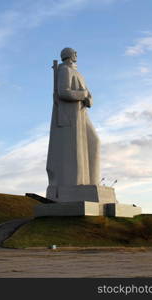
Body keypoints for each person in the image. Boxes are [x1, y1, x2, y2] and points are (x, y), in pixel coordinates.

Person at [46, 47, 100, 201]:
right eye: (74, 52)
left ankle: (93, 183)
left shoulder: (78, 73)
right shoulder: (64, 70)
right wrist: (83, 95)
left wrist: (88, 98)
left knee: (94, 142)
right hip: (71, 114)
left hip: (82, 112)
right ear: (68, 55)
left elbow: (88, 95)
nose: (77, 54)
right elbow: (63, 92)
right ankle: (77, 185)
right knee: (75, 149)